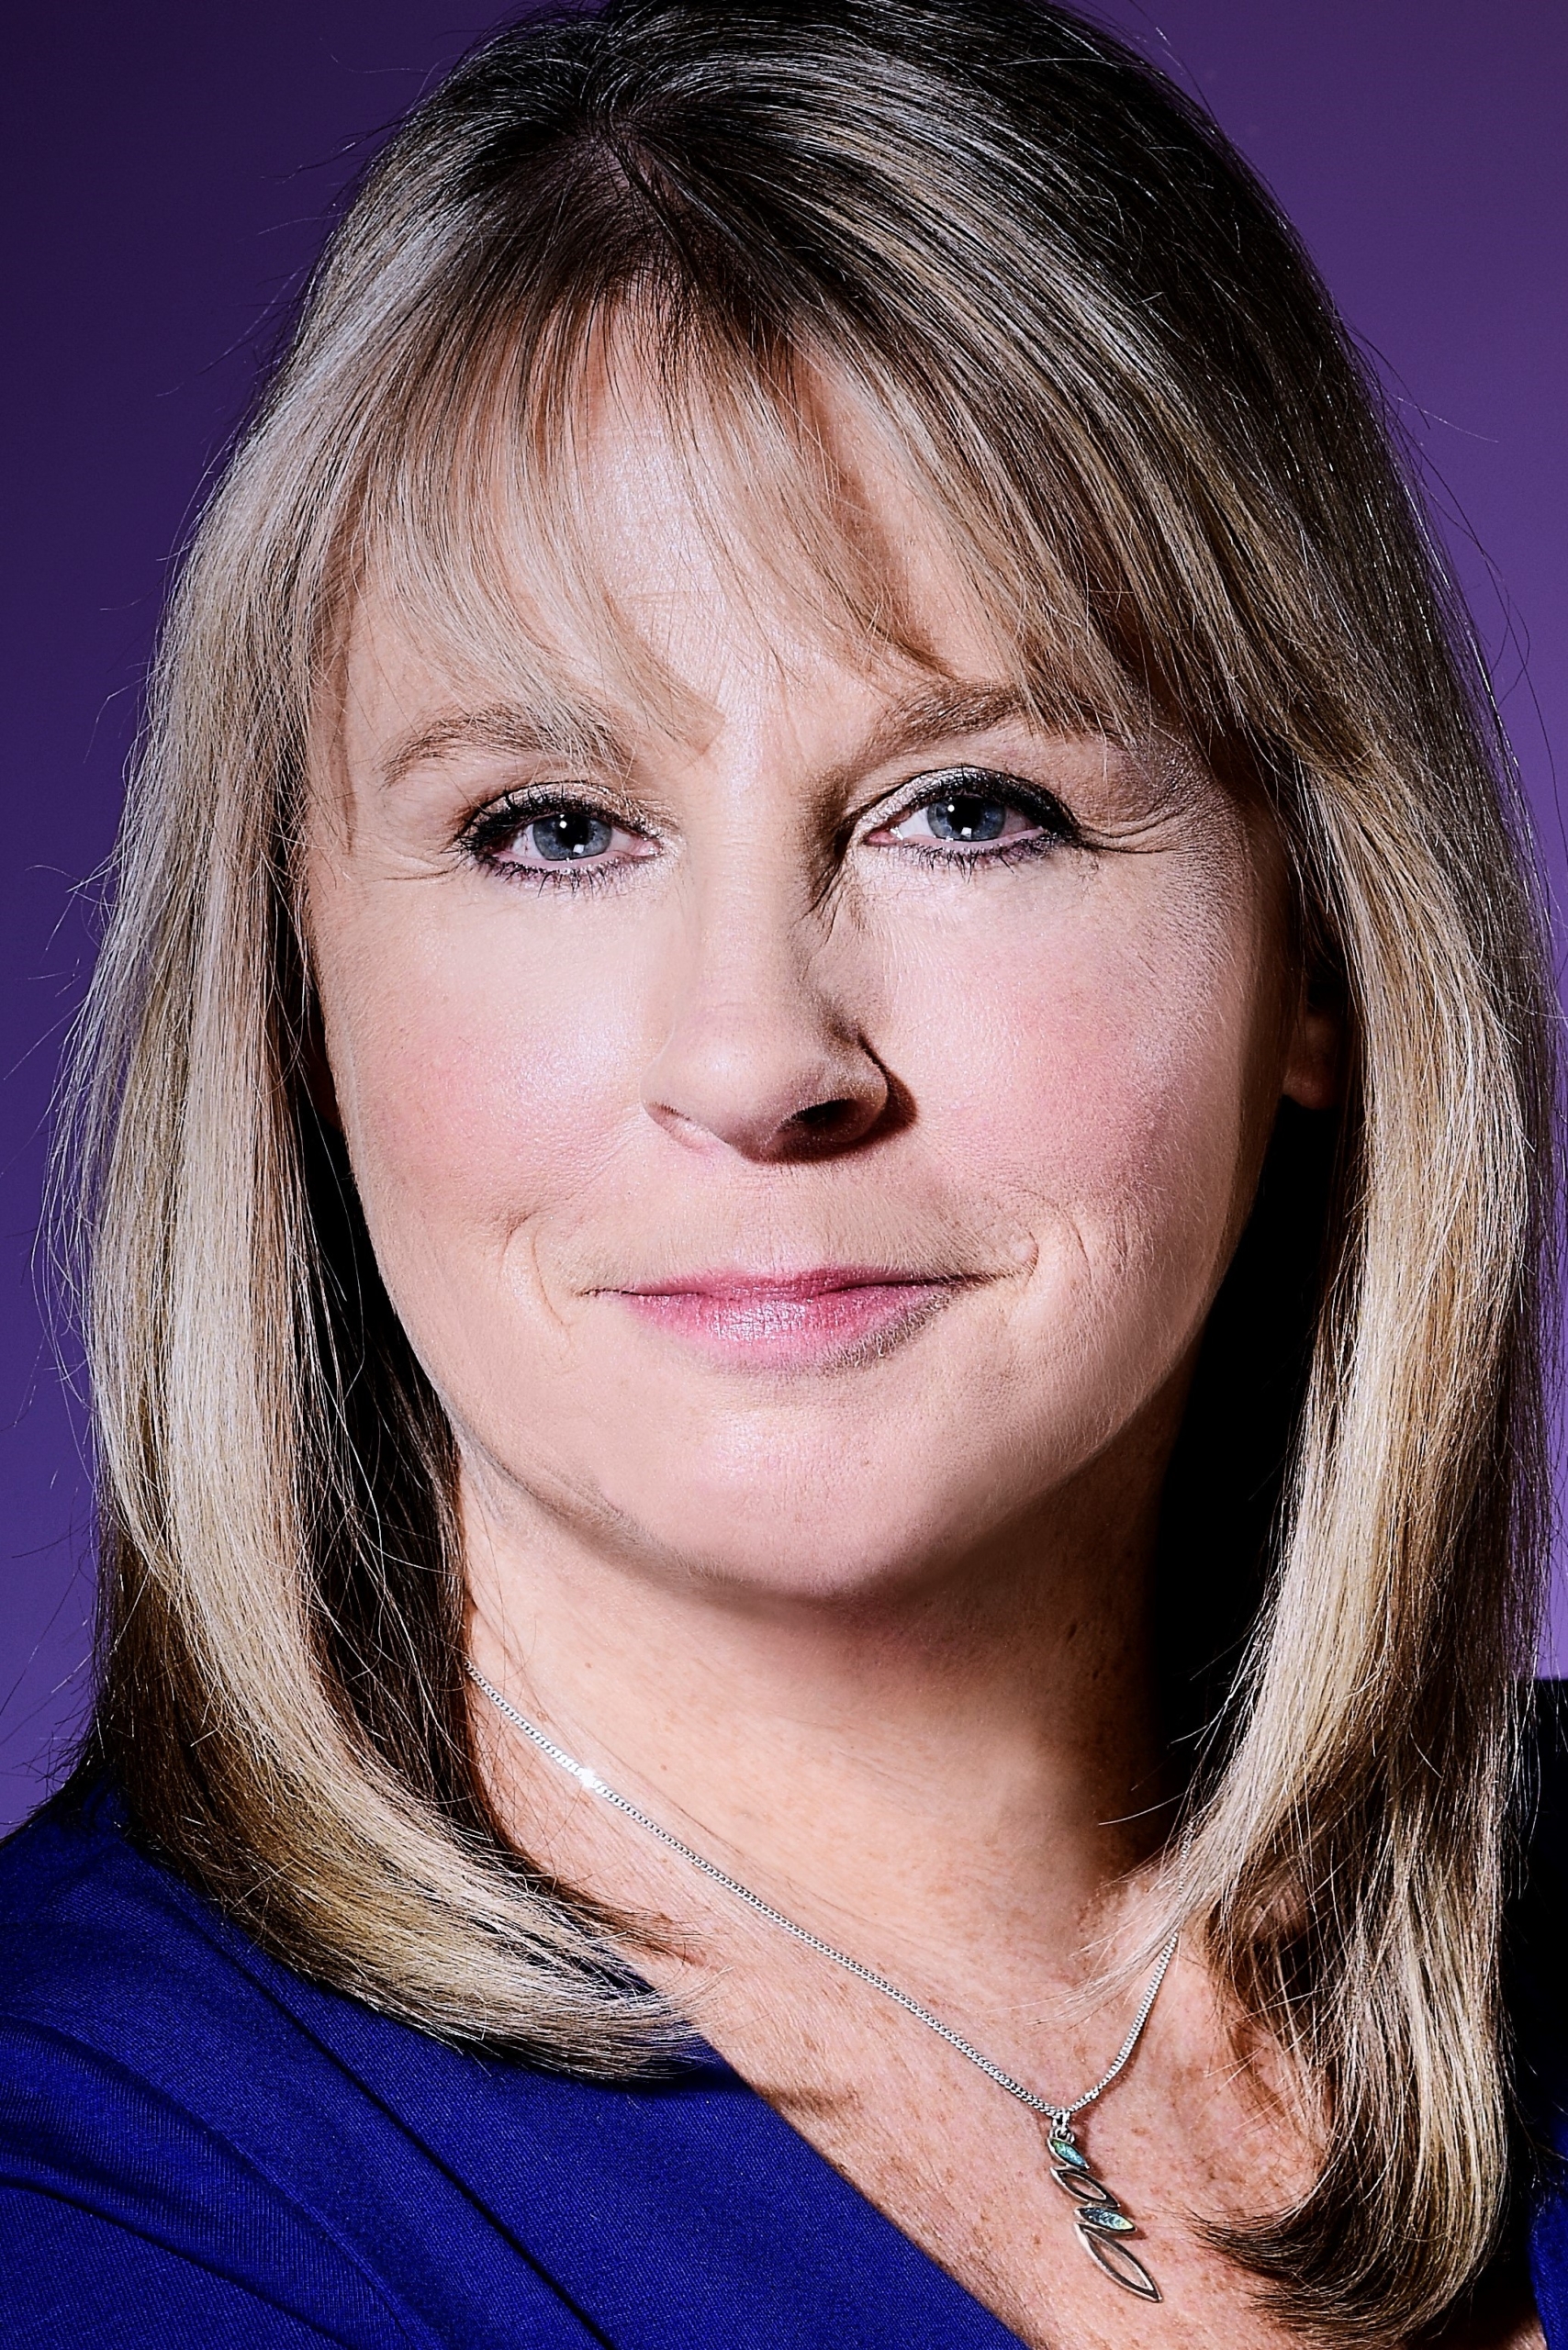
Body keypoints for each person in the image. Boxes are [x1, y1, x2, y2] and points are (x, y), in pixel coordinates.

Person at [1, 1, 1562, 2341]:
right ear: (294, 987)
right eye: (547, 825)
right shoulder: (86, 2194)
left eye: (973, 807)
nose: (757, 1058)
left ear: (1317, 944)